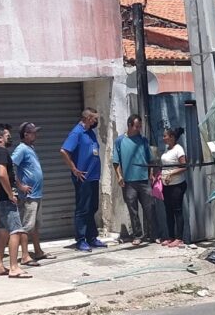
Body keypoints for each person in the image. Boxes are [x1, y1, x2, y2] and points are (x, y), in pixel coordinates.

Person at [0, 123, 32, 278]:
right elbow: (1, 173)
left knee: (3, 232)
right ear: (0, 138)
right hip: (4, 199)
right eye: (7, 135)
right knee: (16, 231)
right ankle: (14, 267)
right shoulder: (1, 152)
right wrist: (10, 194)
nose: (10, 138)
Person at [60, 108, 107, 252]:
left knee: (92, 207)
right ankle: (80, 239)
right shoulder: (77, 132)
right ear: (87, 118)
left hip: (93, 176)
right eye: (94, 119)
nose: (96, 121)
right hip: (83, 177)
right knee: (82, 208)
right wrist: (74, 169)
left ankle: (91, 237)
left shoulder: (90, 133)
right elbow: (64, 151)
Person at [12, 122, 56, 265]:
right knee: (26, 226)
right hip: (29, 196)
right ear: (26, 135)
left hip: (36, 194)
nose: (35, 135)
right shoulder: (21, 149)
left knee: (36, 226)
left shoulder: (30, 148)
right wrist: (20, 186)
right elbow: (11, 166)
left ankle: (38, 251)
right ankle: (25, 256)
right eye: (33, 132)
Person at [113, 114, 158, 245]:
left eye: (140, 126)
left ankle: (154, 234)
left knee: (150, 208)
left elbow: (150, 159)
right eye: (137, 126)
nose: (139, 129)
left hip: (144, 179)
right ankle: (138, 235)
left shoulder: (143, 140)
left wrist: (151, 173)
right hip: (129, 181)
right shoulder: (119, 141)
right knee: (133, 210)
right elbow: (115, 161)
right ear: (129, 125)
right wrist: (119, 176)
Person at [160, 128, 188, 248]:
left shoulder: (178, 149)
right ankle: (171, 237)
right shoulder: (167, 149)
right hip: (167, 185)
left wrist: (171, 174)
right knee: (168, 211)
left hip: (177, 185)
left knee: (177, 211)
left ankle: (179, 238)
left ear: (172, 137)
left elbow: (184, 166)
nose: (163, 138)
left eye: (165, 136)